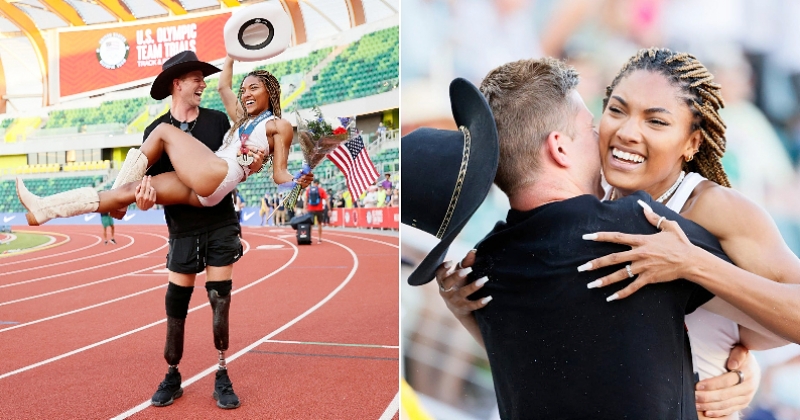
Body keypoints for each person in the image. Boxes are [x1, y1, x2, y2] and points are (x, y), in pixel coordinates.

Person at [436, 51, 800, 419]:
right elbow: (554, 355)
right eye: (617, 110)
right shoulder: (585, 214)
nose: (627, 132)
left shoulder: (711, 208)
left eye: (656, 121)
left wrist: (693, 265)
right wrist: (468, 311)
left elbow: (772, 324)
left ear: (692, 143)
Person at [305, 179, 328, 244]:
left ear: (313, 183)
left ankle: (310, 237)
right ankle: (319, 238)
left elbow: (306, 199)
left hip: (310, 209)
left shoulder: (308, 190)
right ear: (318, 183)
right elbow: (326, 199)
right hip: (319, 209)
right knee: (319, 224)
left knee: (310, 224)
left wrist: (305, 208)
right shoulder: (321, 190)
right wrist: (329, 209)